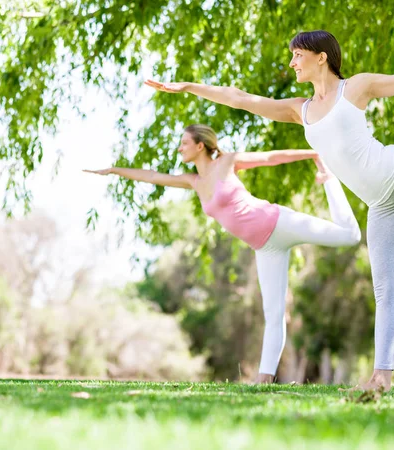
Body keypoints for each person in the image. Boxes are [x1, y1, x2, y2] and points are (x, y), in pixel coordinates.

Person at [143, 31, 394, 391]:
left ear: (321, 56)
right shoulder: (298, 110)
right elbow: (241, 99)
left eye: (297, 55)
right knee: (384, 289)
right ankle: (382, 376)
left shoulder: (356, 88)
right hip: (381, 205)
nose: (291, 63)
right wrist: (190, 86)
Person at [84, 123, 361, 383]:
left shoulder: (228, 162)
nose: (179, 148)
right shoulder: (194, 181)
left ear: (200, 146)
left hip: (277, 222)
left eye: (184, 143)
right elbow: (154, 177)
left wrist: (314, 154)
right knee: (273, 314)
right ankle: (263, 380)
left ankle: (330, 180)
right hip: (265, 247)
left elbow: (271, 157)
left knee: (350, 237)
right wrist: (113, 170)